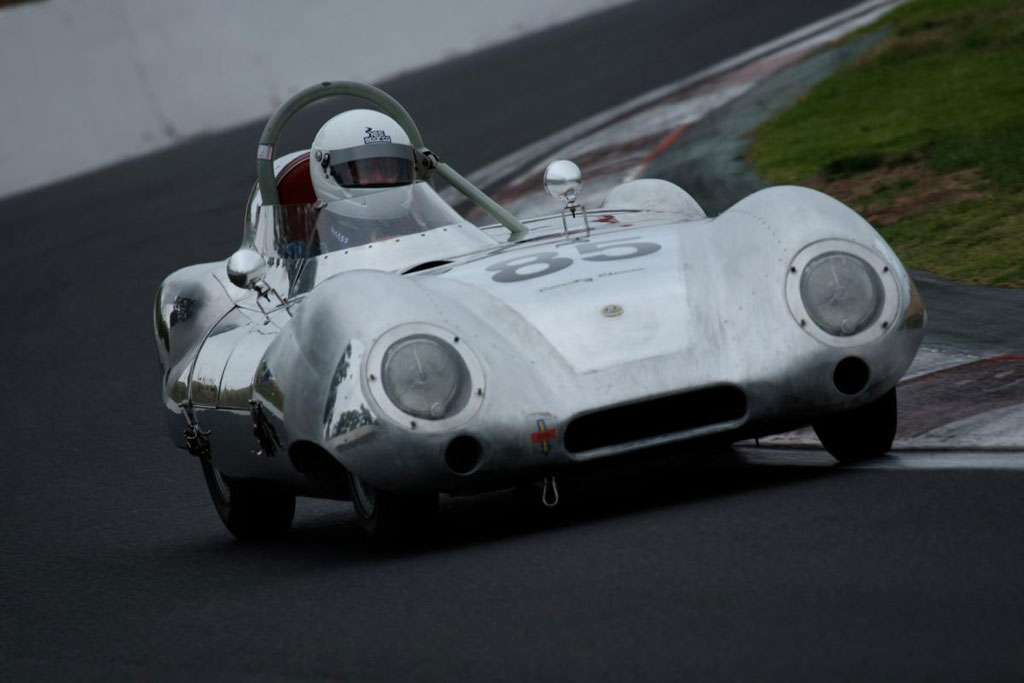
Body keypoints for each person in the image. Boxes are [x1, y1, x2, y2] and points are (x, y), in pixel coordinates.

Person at [307, 109, 421, 250]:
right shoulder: (303, 254)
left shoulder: (425, 225)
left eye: (388, 169)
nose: (379, 178)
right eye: (366, 170)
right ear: (327, 173)